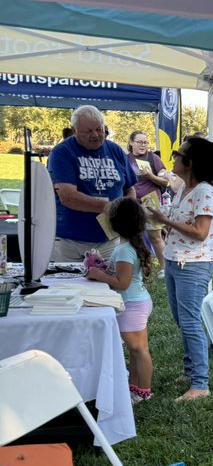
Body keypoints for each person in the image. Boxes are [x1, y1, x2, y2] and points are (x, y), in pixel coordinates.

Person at [147, 136, 213, 401]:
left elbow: (201, 232)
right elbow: (187, 225)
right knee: (182, 319)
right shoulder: (185, 189)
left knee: (190, 321)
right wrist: (169, 224)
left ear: (190, 163)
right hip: (176, 259)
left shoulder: (205, 191)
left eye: (177, 154)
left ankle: (200, 384)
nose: (174, 158)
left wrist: (164, 219)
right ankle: (190, 371)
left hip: (193, 264)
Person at [85, 197, 154, 403]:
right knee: (135, 350)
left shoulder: (124, 249)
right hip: (136, 301)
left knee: (139, 349)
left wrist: (98, 274)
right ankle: (133, 388)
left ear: (115, 223)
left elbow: (121, 282)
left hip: (131, 304)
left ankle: (144, 391)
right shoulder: (127, 245)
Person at [47, 105, 137, 261]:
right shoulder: (62, 152)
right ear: (74, 131)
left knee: (110, 283)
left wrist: (127, 209)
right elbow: (68, 197)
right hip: (69, 241)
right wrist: (111, 207)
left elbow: (130, 189)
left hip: (109, 239)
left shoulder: (115, 150)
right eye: (88, 131)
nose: (95, 135)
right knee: (68, 285)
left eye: (99, 129)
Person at [127, 130, 170, 275]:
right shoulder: (126, 159)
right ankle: (137, 268)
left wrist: (150, 175)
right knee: (133, 237)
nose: (143, 145)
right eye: (139, 142)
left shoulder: (153, 158)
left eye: (145, 142)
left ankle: (164, 268)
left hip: (151, 201)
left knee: (155, 236)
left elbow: (166, 181)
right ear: (131, 142)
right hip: (132, 203)